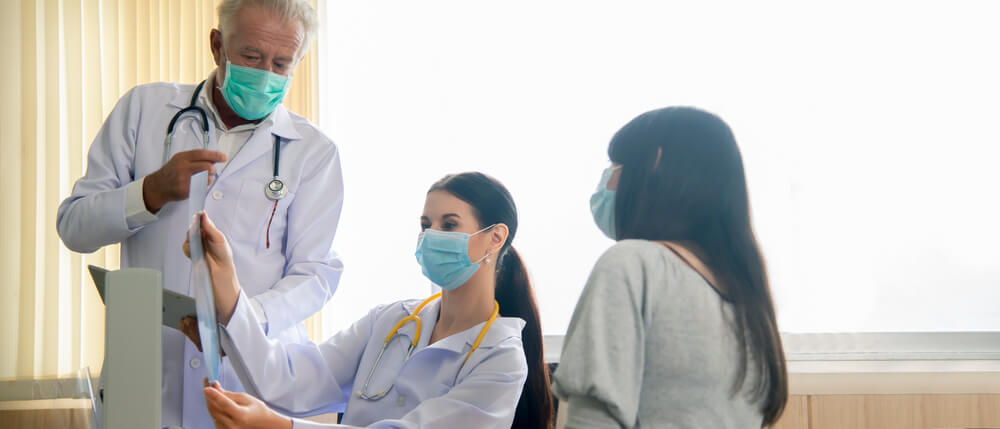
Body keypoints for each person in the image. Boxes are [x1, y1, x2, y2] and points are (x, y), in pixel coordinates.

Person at [55, 1, 343, 427]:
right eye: (251, 56)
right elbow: (75, 227)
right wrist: (149, 192)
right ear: (216, 45)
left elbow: (315, 273)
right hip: (147, 384)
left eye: (282, 63)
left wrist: (242, 322)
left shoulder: (313, 152)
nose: (266, 73)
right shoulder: (144, 110)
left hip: (249, 386)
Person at [181, 172, 554, 428]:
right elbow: (290, 380)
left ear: (495, 237)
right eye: (426, 225)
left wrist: (280, 426)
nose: (431, 236)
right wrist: (227, 283)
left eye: (450, 224)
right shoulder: (392, 319)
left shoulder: (501, 358)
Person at [552, 107, 788, 428]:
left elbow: (594, 422)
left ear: (655, 162)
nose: (608, 178)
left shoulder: (632, 264)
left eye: (616, 165)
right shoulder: (749, 299)